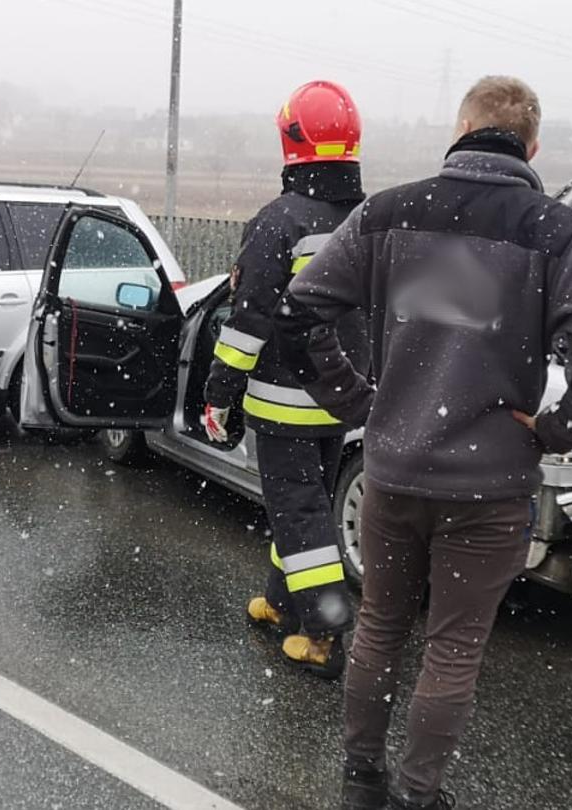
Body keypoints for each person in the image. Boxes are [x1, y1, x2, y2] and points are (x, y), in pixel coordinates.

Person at [278, 76, 572, 810]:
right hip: (490, 487)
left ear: (460, 126)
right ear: (531, 146)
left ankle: (360, 783)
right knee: (452, 647)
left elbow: (298, 313)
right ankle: (419, 794)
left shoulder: (386, 213)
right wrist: (562, 430)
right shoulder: (558, 231)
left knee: (379, 627)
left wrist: (357, 402)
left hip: (391, 475)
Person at [202, 79, 364, 679]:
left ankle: (322, 636)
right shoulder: (368, 220)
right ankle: (280, 601)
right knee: (305, 506)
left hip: (284, 400)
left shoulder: (280, 223)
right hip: (341, 397)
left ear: (290, 141)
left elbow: (250, 321)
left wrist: (220, 394)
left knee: (299, 512)